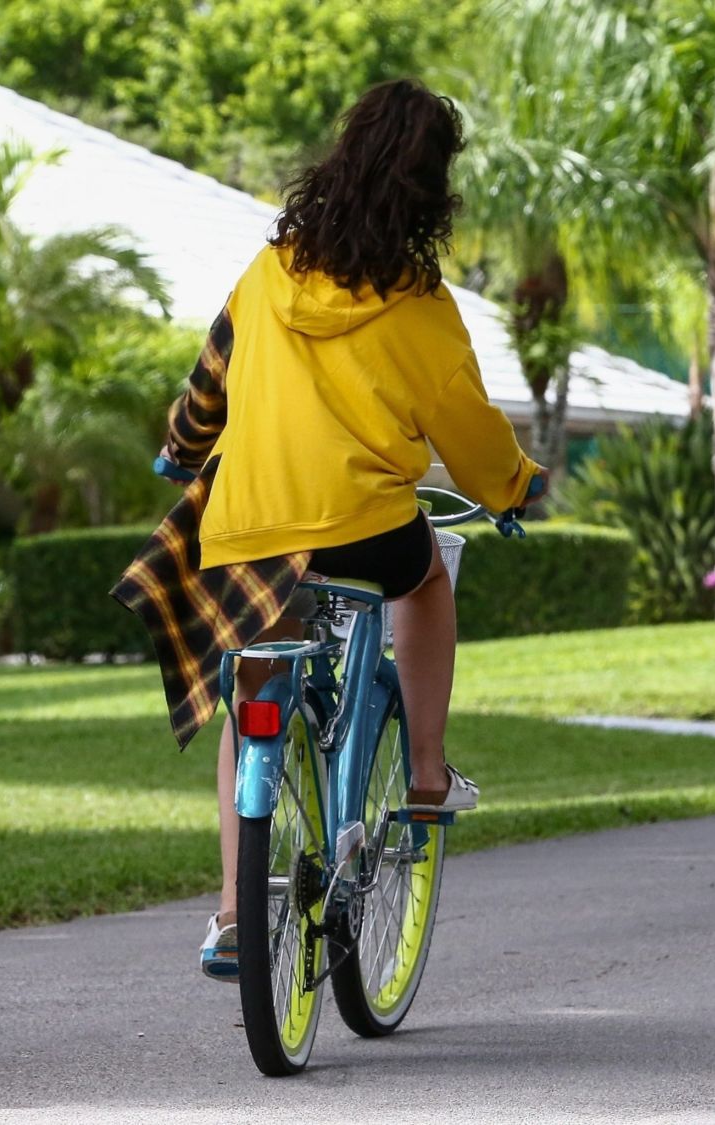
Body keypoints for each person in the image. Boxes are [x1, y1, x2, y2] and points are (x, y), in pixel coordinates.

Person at [156, 78, 548, 980]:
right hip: (366, 530)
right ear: (431, 191)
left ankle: (229, 913)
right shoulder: (421, 304)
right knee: (425, 579)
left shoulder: (268, 271)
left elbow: (209, 379)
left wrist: (182, 453)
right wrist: (511, 488)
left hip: (251, 529)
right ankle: (423, 773)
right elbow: (472, 431)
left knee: (255, 686)